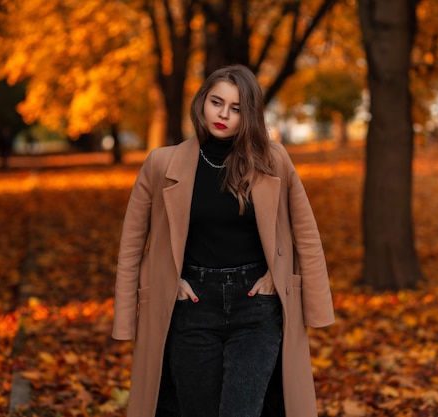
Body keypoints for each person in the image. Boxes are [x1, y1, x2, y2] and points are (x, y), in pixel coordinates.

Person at [112, 64, 335, 417]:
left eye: (236, 109)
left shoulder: (273, 160)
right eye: (217, 102)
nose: (224, 115)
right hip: (191, 307)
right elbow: (131, 246)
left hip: (257, 308)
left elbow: (306, 235)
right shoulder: (160, 164)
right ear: (202, 101)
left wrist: (306, 300)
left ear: (250, 116)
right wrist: (152, 293)